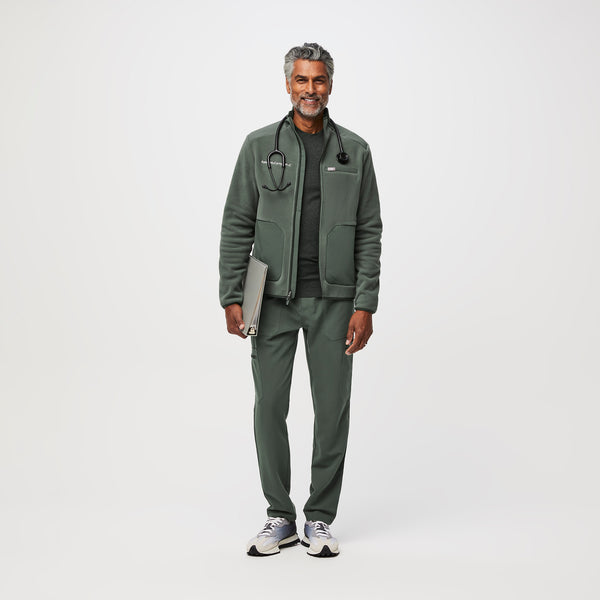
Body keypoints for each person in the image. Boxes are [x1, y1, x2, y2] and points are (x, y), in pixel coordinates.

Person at [219, 42, 382, 558]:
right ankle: (279, 515)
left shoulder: (354, 150)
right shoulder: (258, 146)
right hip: (270, 299)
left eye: (319, 80)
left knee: (331, 411)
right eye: (302, 80)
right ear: (288, 84)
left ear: (330, 85)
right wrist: (231, 294)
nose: (311, 90)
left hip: (335, 301)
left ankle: (319, 518)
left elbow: (370, 230)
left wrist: (365, 302)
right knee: (269, 406)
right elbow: (237, 221)